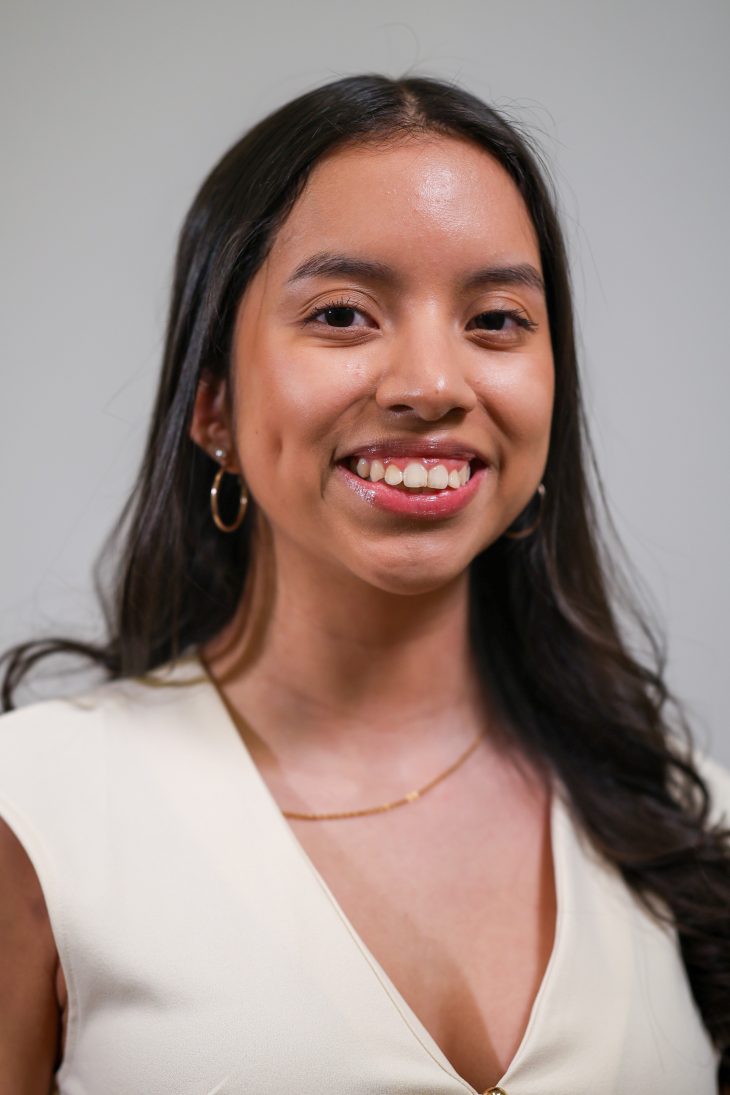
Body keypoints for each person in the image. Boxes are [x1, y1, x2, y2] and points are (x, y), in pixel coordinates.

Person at [0, 73, 728, 1095]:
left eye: (496, 320)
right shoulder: (32, 813)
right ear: (212, 408)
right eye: (343, 314)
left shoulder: (686, 819)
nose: (431, 385)